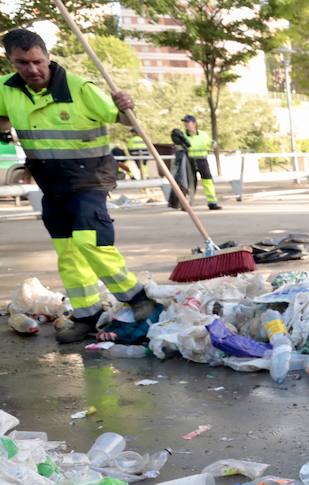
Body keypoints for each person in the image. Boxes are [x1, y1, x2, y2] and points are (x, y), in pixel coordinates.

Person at [0, 27, 156, 342]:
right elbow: (2, 119)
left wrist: (127, 106)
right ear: (10, 62)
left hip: (91, 177)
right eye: (22, 63)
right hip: (52, 184)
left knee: (90, 239)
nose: (32, 70)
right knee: (68, 251)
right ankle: (87, 316)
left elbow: (124, 119)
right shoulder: (6, 89)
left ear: (47, 57)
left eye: (37, 61)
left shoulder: (79, 88)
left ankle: (137, 298)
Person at [172, 115, 220, 209]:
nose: (186, 125)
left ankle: (212, 203)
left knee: (207, 181)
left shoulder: (203, 134)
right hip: (189, 161)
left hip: (202, 160)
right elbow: (177, 147)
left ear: (194, 124)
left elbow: (210, 143)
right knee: (190, 183)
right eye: (185, 123)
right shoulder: (182, 136)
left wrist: (213, 144)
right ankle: (186, 204)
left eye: (188, 123)